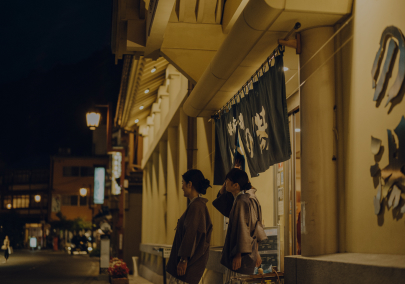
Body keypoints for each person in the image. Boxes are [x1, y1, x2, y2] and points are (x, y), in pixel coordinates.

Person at [213, 168, 267, 278]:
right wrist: (256, 251)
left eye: (227, 180)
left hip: (240, 257)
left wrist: (238, 254)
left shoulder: (241, 201)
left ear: (236, 185)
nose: (225, 182)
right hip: (249, 254)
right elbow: (256, 227)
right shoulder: (251, 198)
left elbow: (242, 228)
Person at [166, 169, 213, 284]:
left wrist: (183, 259)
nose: (182, 186)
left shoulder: (196, 206)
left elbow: (191, 234)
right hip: (190, 264)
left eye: (183, 183)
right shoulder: (197, 205)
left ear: (189, 184)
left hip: (188, 266)